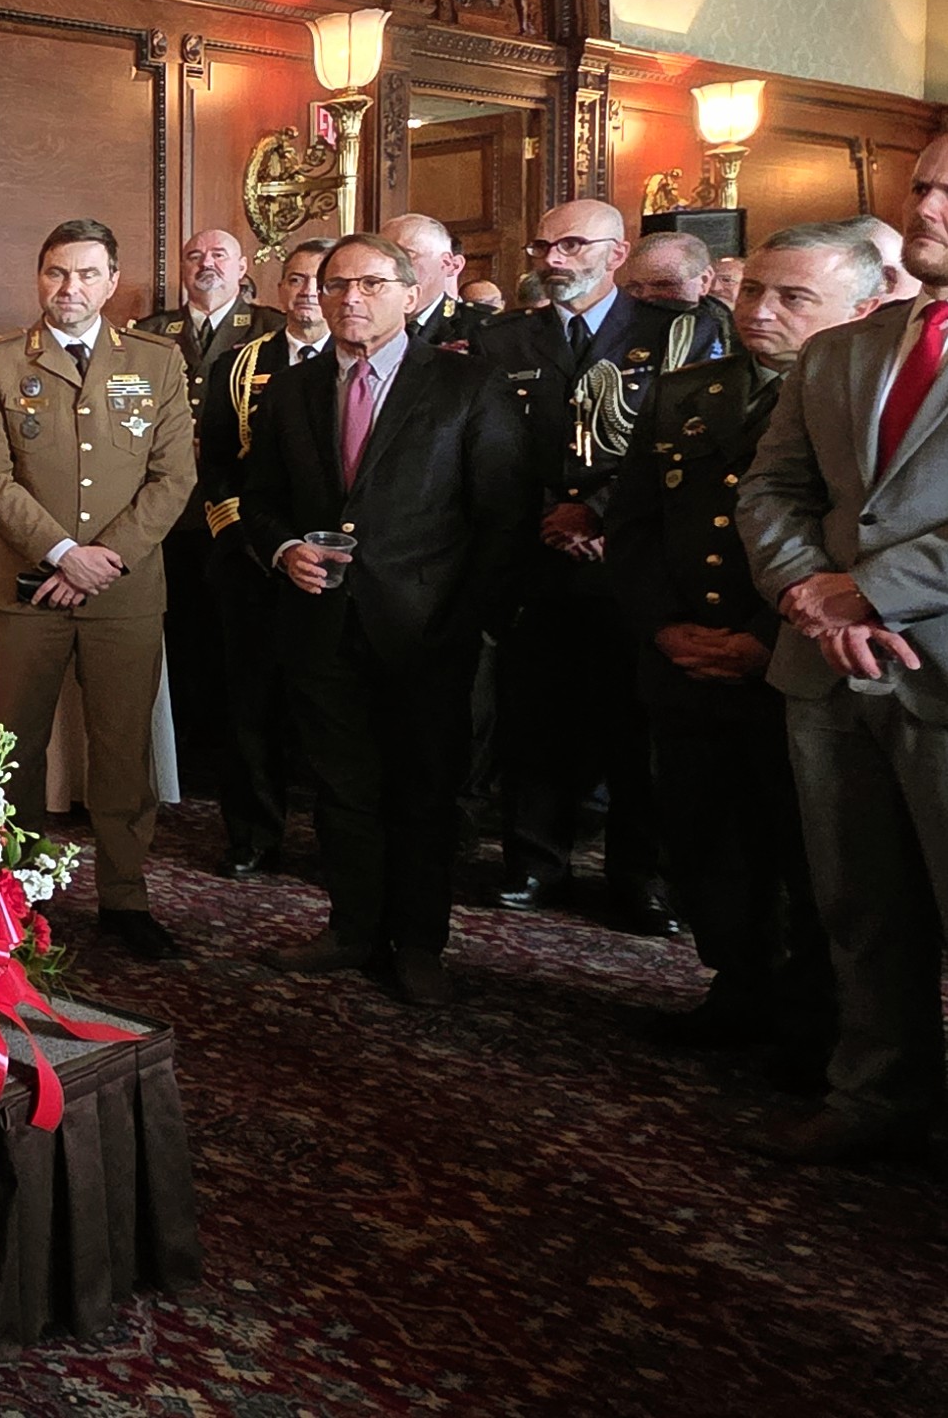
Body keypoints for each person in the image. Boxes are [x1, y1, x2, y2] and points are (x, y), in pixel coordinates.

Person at [610, 222, 884, 1081]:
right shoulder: (684, 392)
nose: (760, 311)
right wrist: (662, 625)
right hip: (688, 659)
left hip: (800, 663)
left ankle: (817, 1024)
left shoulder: (869, 406)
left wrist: (765, 640)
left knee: (812, 855)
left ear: (865, 309)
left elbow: (863, 546)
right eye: (756, 288)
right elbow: (636, 526)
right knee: (707, 838)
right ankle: (736, 986)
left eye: (793, 297)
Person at [243, 233, 524, 1004]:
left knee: (425, 793)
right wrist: (283, 548)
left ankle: (421, 944)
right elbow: (257, 497)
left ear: (409, 292)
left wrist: (466, 625)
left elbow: (501, 518)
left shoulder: (468, 384)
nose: (349, 300)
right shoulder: (291, 389)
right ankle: (351, 928)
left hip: (428, 632)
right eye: (335, 285)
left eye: (369, 284)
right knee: (341, 791)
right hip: (320, 625)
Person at [737, 143, 948, 1164]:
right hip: (825, 672)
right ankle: (874, 1097)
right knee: (857, 903)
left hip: (933, 666)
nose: (926, 204)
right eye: (919, 183)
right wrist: (806, 596)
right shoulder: (842, 351)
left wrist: (870, 589)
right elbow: (769, 490)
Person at [477, 197, 730, 931]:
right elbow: (490, 455)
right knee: (536, 719)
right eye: (543, 246)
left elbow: (689, 445)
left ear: (616, 255)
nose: (552, 260)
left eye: (572, 246)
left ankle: (640, 878)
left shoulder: (677, 332)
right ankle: (533, 862)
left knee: (637, 730)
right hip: (536, 560)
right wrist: (549, 519)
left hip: (637, 560)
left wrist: (603, 513)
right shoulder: (505, 341)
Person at [0, 219, 197, 960]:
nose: (71, 289)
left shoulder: (157, 363)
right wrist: (65, 554)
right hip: (28, 589)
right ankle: (19, 896)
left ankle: (125, 899)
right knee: (16, 751)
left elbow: (175, 478)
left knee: (123, 753)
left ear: (112, 281)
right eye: (57, 274)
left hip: (125, 594)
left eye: (87, 275)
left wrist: (104, 559)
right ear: (40, 278)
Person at [196, 238, 334, 876]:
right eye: (298, 281)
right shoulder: (239, 362)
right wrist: (253, 545)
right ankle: (252, 833)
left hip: (339, 566)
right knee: (249, 704)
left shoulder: (375, 359)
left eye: (321, 281)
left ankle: (339, 838)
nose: (308, 293)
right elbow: (218, 465)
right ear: (279, 289)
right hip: (254, 557)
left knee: (333, 707)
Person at [132, 228, 280, 814]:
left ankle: (223, 750)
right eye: (195, 256)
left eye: (219, 255)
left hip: (234, 512)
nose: (206, 264)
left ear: (242, 266)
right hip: (164, 512)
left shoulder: (268, 326)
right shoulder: (149, 333)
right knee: (174, 633)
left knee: (228, 637)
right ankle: (179, 746)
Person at [387, 212, 489, 351]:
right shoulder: (362, 321)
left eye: (406, 256)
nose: (389, 267)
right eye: (382, 257)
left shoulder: (480, 327)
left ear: (446, 264)